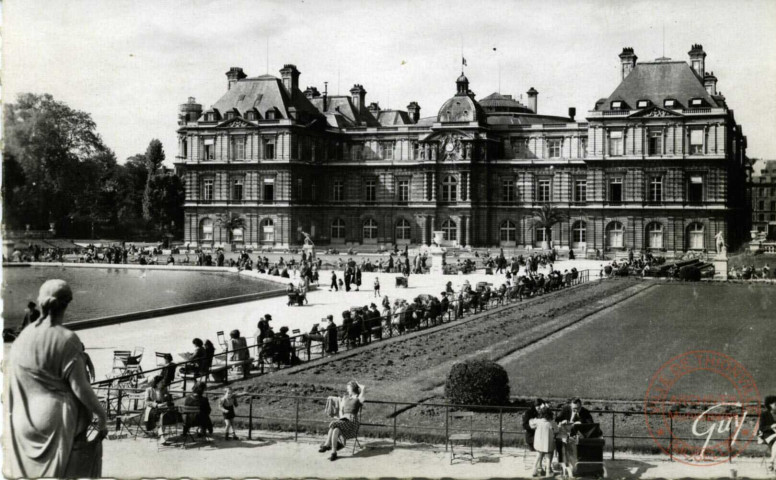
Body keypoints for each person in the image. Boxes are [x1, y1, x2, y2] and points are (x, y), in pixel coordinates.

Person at [7, 279, 108, 478]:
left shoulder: (25, 336)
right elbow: (80, 388)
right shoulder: (67, 339)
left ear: (40, 301)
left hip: (24, 419)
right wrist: (101, 415)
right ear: (67, 303)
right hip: (55, 422)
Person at [319, 381, 365, 461]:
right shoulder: (345, 397)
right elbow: (341, 409)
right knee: (335, 429)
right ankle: (334, 452)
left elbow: (364, 388)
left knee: (333, 423)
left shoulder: (358, 398)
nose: (347, 389)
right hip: (344, 419)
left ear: (353, 388)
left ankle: (327, 444)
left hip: (352, 422)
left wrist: (357, 383)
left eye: (348, 388)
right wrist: (342, 417)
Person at [554, 398, 593, 468]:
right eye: (573, 408)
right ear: (570, 406)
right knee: (559, 441)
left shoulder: (585, 412)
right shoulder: (566, 409)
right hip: (565, 430)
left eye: (578, 408)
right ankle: (561, 462)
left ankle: (578, 462)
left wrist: (581, 423)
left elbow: (590, 424)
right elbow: (557, 419)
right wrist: (562, 421)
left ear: (581, 406)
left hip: (578, 433)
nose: (575, 410)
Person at [529, 407, 558, 477]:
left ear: (541, 414)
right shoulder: (552, 422)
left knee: (538, 456)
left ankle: (534, 470)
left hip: (539, 443)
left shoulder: (538, 421)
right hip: (548, 443)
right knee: (548, 456)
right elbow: (557, 430)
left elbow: (531, 425)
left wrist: (531, 420)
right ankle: (548, 471)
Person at [758, 395, 776, 472]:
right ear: (770, 405)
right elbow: (761, 428)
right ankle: (771, 462)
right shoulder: (764, 414)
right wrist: (771, 426)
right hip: (767, 435)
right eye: (775, 404)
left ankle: (771, 462)